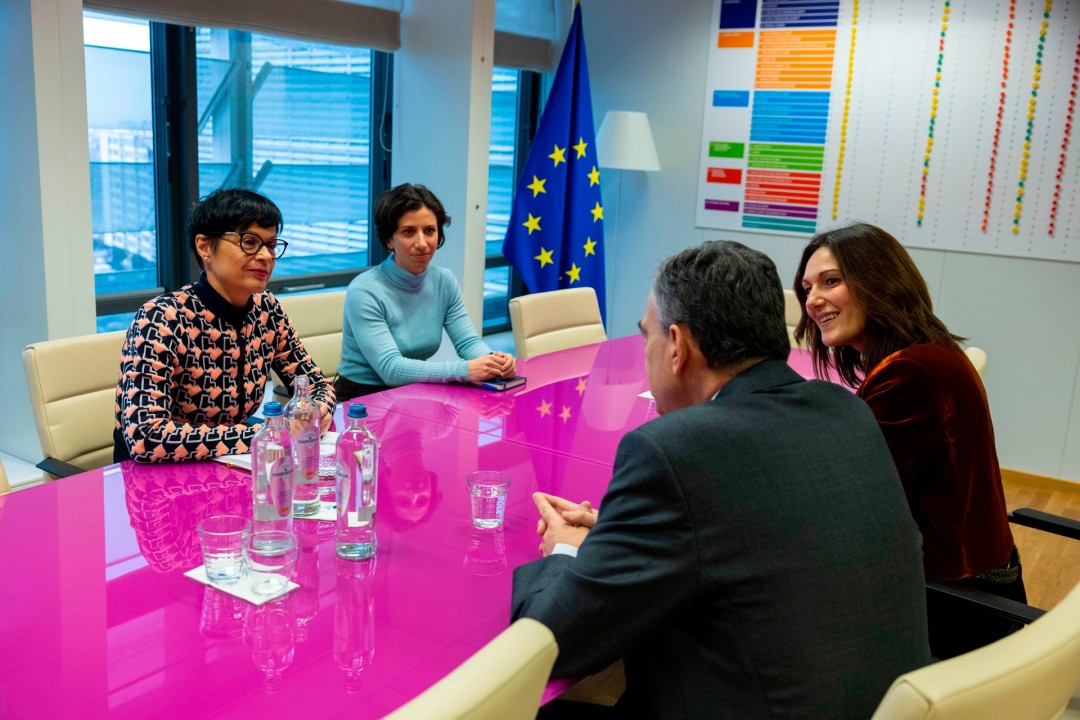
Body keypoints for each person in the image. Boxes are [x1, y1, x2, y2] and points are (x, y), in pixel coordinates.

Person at [512, 241, 930, 719]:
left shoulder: (673, 450)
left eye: (647, 337)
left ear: (677, 346)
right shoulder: (847, 410)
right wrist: (618, 535)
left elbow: (551, 643)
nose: (646, 351)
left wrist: (566, 551)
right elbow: (753, 528)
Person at [795, 222, 1024, 658]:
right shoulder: (929, 350)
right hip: (974, 583)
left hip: (955, 607)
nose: (812, 300)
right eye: (807, 288)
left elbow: (842, 497)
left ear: (879, 281)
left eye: (830, 281)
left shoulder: (910, 373)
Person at [114, 188, 335, 463]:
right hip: (157, 475)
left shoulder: (266, 309)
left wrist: (316, 410)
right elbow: (146, 436)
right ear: (205, 247)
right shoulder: (161, 319)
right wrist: (265, 434)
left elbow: (315, 383)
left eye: (271, 245)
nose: (266, 256)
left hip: (231, 462)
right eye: (250, 242)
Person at [335, 183, 515, 401]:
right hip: (362, 398)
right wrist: (465, 370)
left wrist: (493, 361)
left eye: (429, 231)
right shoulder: (364, 290)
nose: (422, 243)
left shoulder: (444, 281)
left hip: (415, 391)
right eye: (408, 232)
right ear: (388, 240)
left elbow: (468, 343)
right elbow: (390, 368)